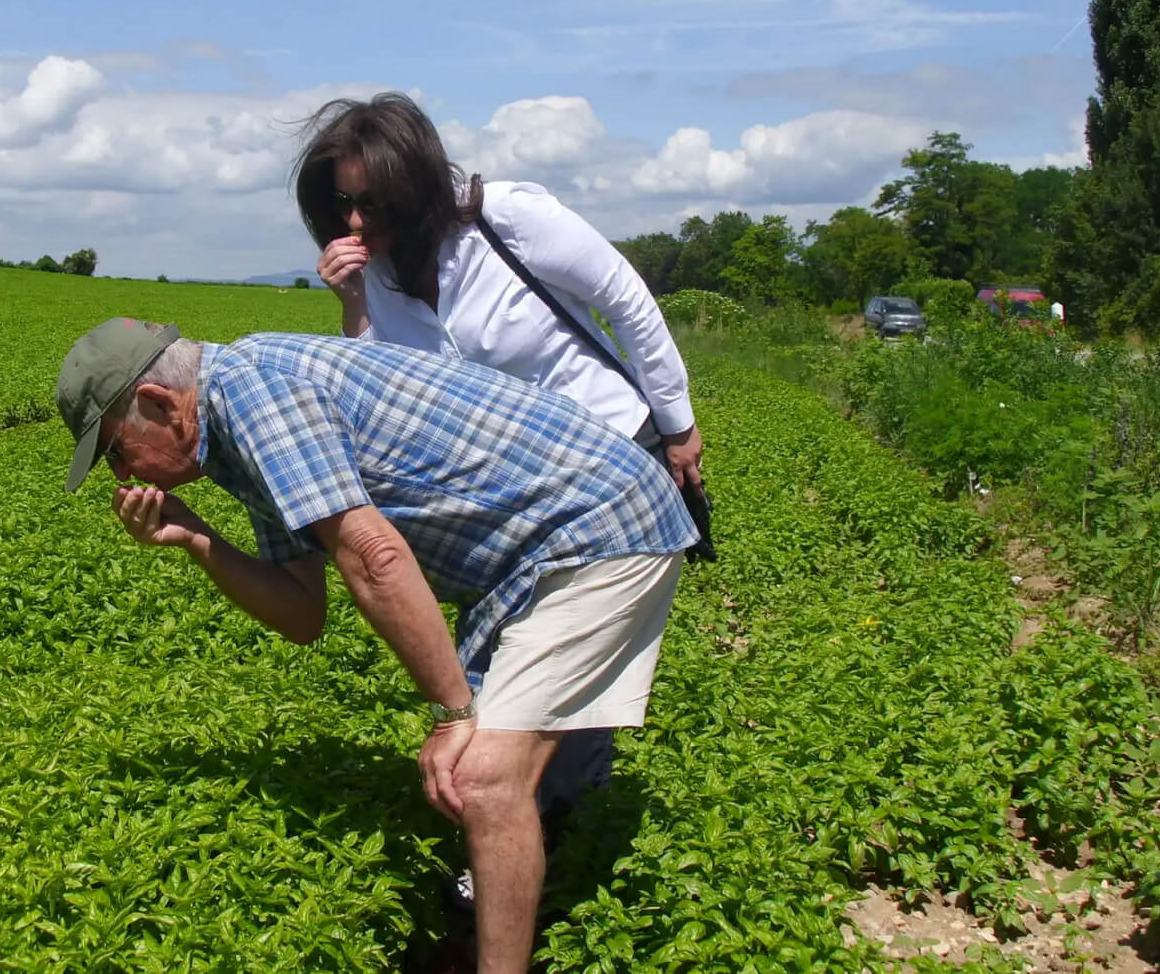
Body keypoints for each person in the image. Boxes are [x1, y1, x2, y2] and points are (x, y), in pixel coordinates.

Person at [56, 317, 696, 974]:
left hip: (595, 527)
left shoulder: (255, 394)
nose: (122, 471)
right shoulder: (230, 432)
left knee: (483, 776)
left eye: (114, 449)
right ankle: (491, 933)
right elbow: (303, 612)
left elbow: (377, 556)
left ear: (163, 405)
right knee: (487, 775)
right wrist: (197, 540)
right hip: (528, 557)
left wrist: (454, 713)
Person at [291, 91, 704, 911]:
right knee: (529, 647)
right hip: (514, 488)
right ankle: (536, 812)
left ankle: (540, 820)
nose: (357, 218)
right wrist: (351, 305)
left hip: (612, 460)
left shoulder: (507, 219)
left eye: (374, 199)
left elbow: (627, 302)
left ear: (416, 183)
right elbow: (391, 384)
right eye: (341, 202)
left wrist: (678, 424)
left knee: (568, 644)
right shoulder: (368, 272)